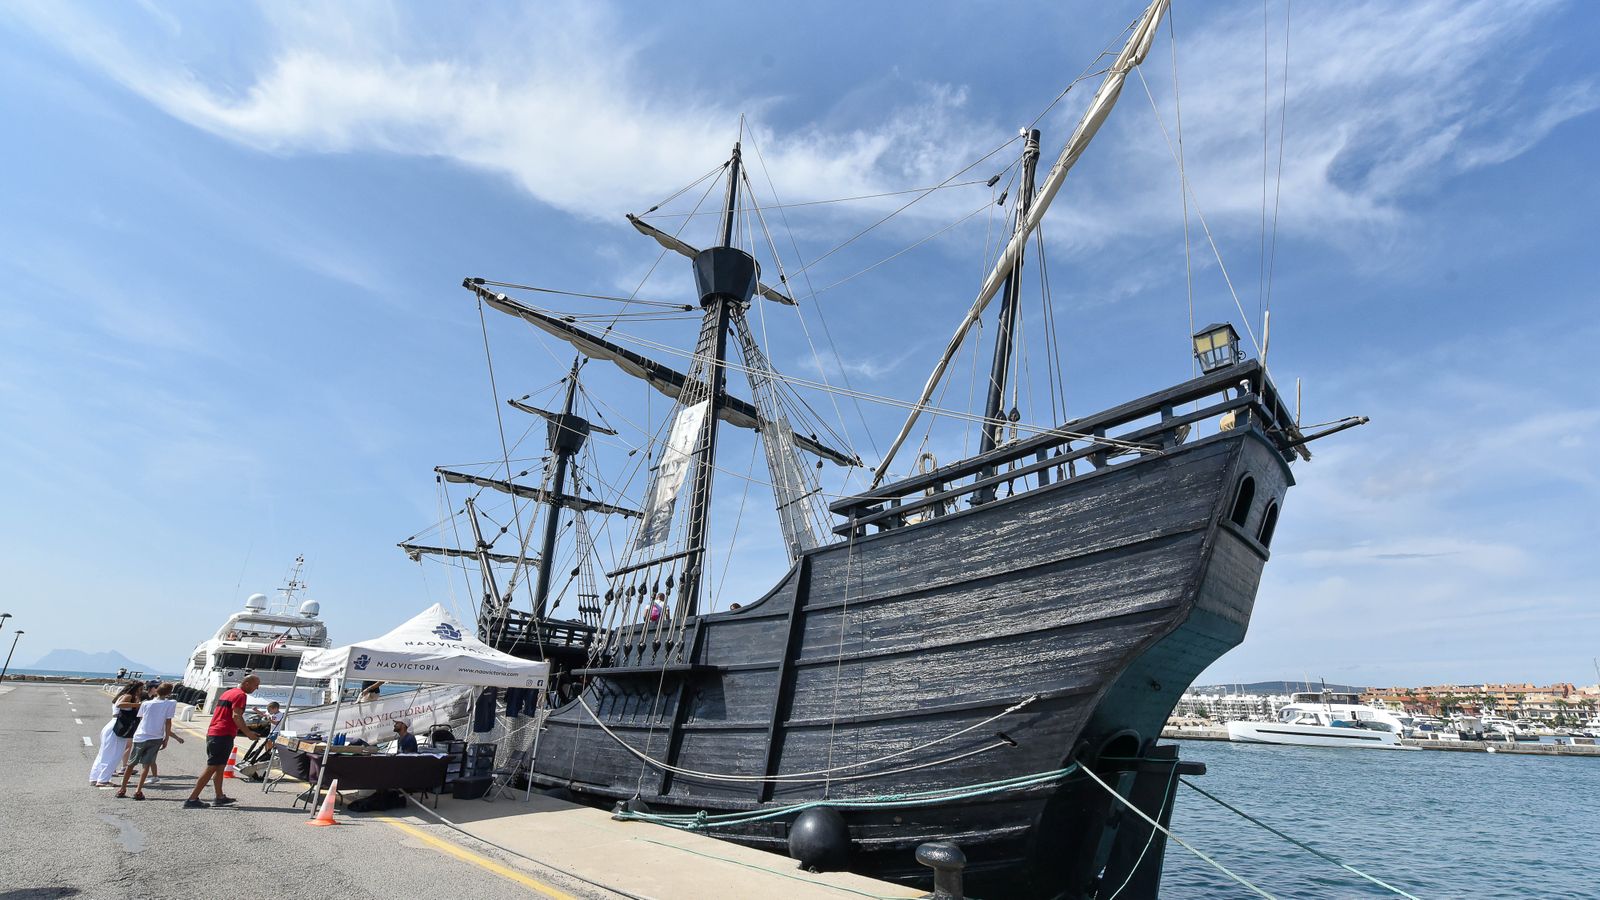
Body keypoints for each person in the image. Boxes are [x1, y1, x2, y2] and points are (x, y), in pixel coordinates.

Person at [184, 675, 263, 809]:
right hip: (222, 734)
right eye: (256, 685)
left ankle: (219, 797)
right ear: (247, 683)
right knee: (212, 767)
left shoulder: (229, 692)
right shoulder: (240, 695)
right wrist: (248, 733)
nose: (257, 688)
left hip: (216, 732)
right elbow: (236, 715)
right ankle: (192, 798)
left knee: (220, 767)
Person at [118, 682, 183, 799]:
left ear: (157, 690)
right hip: (156, 737)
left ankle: (122, 789)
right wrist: (166, 738)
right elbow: (168, 722)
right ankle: (138, 791)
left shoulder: (146, 703)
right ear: (169, 693)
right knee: (146, 765)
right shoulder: (171, 704)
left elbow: (142, 718)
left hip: (141, 736)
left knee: (131, 764)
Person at [90, 681, 144, 787]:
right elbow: (121, 705)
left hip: (113, 725)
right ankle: (103, 780)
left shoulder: (123, 695)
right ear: (135, 688)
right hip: (118, 726)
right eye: (140, 689)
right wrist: (138, 704)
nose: (141, 691)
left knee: (104, 753)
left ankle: (95, 777)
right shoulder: (128, 696)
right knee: (114, 754)